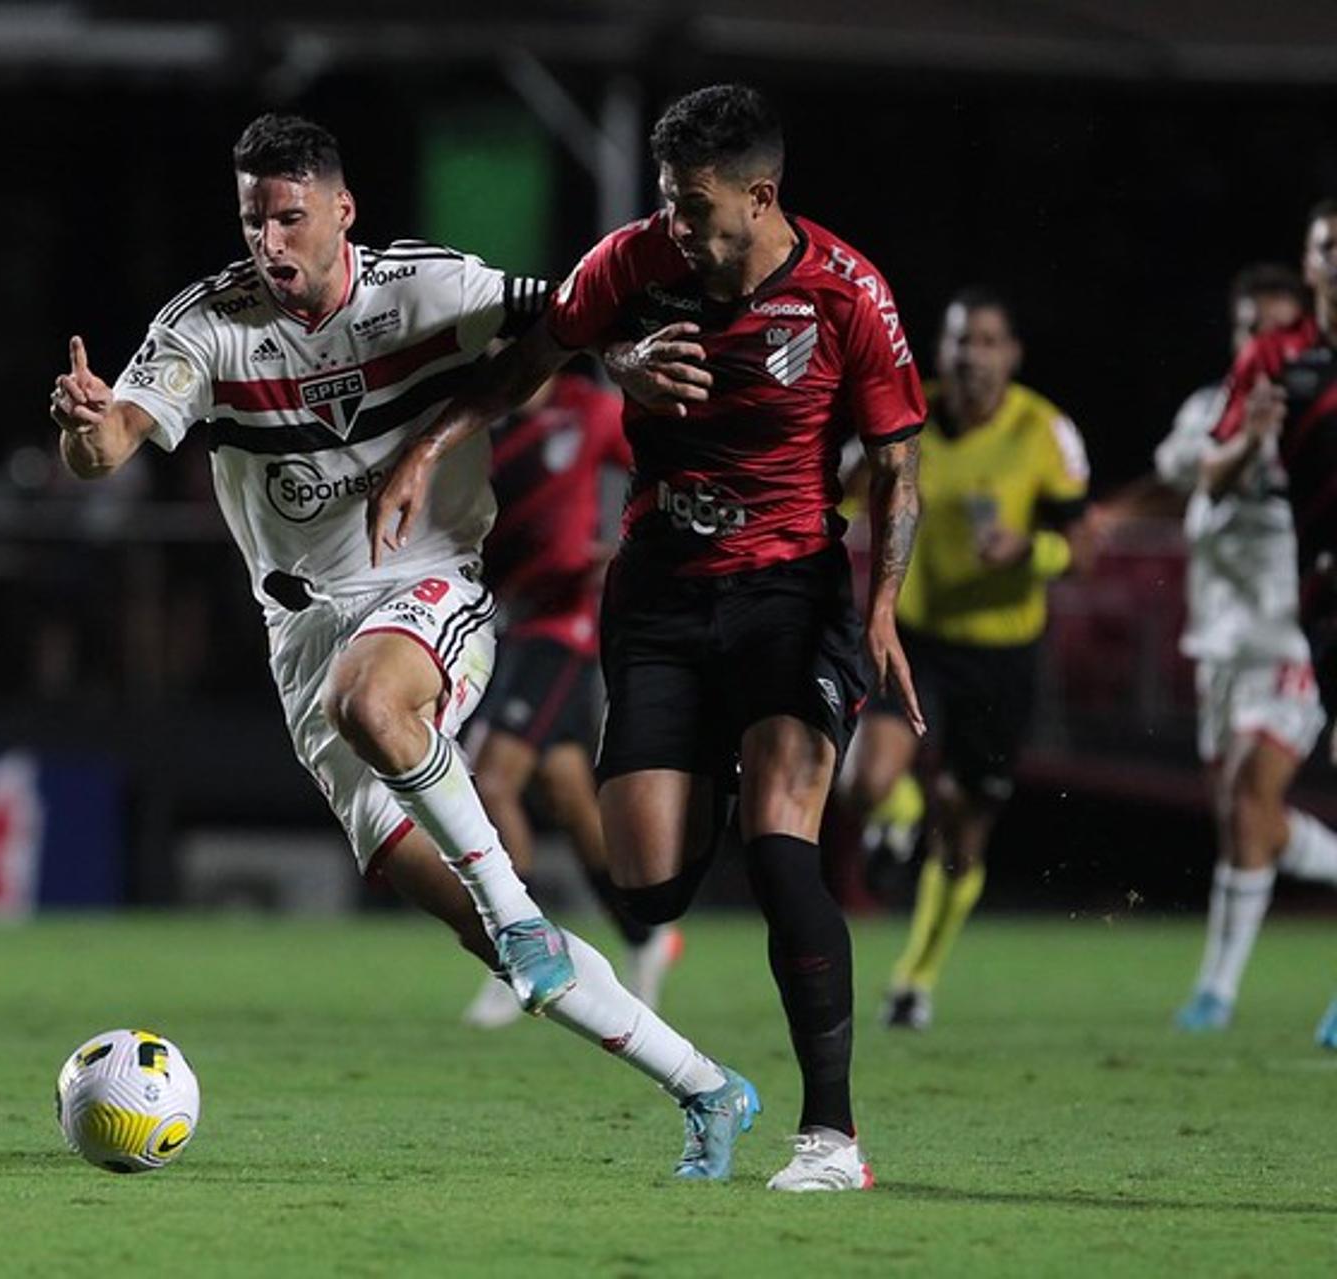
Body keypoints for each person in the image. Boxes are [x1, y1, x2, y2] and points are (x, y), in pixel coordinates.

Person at [50, 113, 760, 1180]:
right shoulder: (210, 327)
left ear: (343, 212)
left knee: (375, 706)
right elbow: (104, 452)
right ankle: (708, 1086)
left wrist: (625, 355)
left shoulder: (424, 291)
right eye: (254, 220)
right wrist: (81, 420)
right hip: (303, 634)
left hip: (431, 588)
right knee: (487, 935)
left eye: (291, 217)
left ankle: (519, 907)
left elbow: (567, 316)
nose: (270, 242)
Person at [370, 84, 925, 1192]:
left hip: (790, 592)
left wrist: (878, 603)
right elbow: (527, 360)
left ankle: (832, 1140)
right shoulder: (631, 267)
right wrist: (434, 443)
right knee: (648, 883)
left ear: (760, 196)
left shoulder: (848, 293)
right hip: (663, 590)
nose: (676, 224)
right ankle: (721, 772)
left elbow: (900, 460)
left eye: (694, 206)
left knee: (781, 849)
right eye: (666, 203)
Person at [1099, 265, 1337, 1032]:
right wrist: (1106, 516)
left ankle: (1217, 994)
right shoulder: (1211, 408)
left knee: (1246, 794)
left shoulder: (1316, 412)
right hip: (1221, 646)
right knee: (1249, 822)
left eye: (1273, 328)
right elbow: (1183, 477)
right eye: (1246, 328)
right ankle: (1217, 993)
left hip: (1293, 633)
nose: (1258, 343)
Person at [846, 290, 1090, 1032]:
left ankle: (915, 977)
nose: (970, 355)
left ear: (1011, 354)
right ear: (940, 351)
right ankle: (899, 815)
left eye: (986, 341)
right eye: (959, 341)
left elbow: (1079, 546)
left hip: (1004, 649)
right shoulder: (904, 414)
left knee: (965, 821)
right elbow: (840, 494)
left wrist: (1031, 549)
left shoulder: (1045, 431)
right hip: (915, 634)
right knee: (868, 780)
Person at [458, 366, 683, 1030]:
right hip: (506, 621)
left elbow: (668, 461)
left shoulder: (590, 409)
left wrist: (633, 547)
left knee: (489, 778)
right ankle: (646, 935)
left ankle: (516, 953)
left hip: (564, 626)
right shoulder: (483, 422)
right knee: (565, 795)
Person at [1205, 202, 1337, 1049]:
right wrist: (1252, 441)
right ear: (1310, 262)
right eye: (1330, 246)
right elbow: (1211, 480)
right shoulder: (1277, 360)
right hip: (1318, 602)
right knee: (1242, 796)